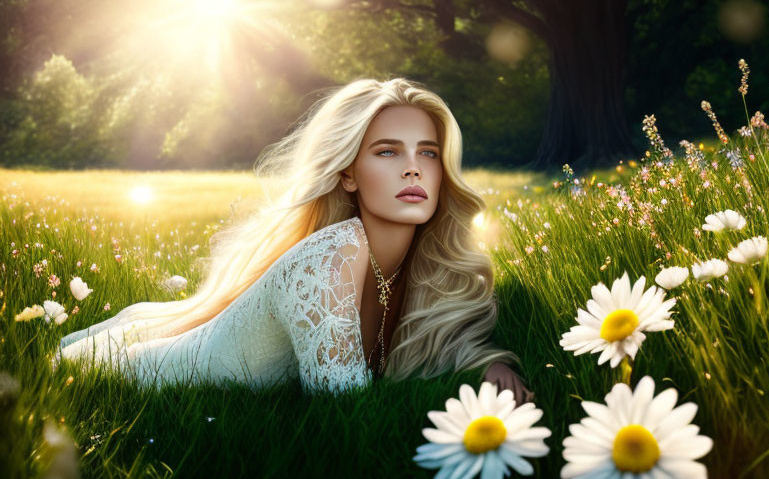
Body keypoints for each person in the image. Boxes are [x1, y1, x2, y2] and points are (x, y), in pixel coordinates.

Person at [55, 78, 535, 405]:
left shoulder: (419, 263)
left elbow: (433, 345)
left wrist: (486, 366)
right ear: (348, 173)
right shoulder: (333, 257)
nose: (413, 167)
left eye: (427, 153)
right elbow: (342, 407)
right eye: (387, 151)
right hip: (133, 377)